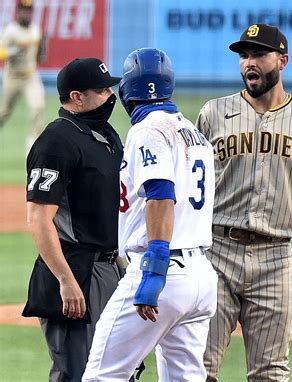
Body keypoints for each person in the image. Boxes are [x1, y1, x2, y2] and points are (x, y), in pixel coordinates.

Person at [195, 23, 292, 381]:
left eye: (259, 54)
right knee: (197, 368)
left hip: (276, 258)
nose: (250, 63)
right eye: (244, 56)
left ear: (283, 60)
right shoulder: (213, 113)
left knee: (270, 373)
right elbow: (190, 186)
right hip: (215, 252)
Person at [82, 47, 218, 382]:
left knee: (102, 376)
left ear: (127, 91)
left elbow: (161, 195)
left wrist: (154, 270)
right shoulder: (193, 132)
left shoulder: (147, 130)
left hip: (163, 270)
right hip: (201, 275)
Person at [23, 57, 124, 382]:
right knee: (77, 373)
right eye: (101, 90)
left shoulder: (105, 133)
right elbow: (39, 218)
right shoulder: (56, 141)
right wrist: (66, 281)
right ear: (76, 97)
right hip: (76, 272)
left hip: (110, 269)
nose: (110, 95)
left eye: (110, 87)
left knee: (115, 371)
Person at [0, 0, 47, 152]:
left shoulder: (35, 30)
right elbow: (1, 53)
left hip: (30, 76)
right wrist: (14, 51)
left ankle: (32, 149)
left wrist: (43, 47)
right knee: (3, 112)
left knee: (37, 108)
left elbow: (39, 58)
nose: (26, 13)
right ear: (18, 12)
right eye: (23, 10)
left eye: (29, 10)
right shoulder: (11, 31)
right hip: (12, 77)